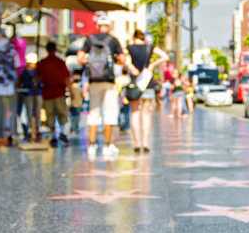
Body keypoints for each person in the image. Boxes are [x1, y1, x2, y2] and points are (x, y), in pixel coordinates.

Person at [77, 13, 124, 160]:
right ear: (109, 26)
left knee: (93, 112)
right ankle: (107, 145)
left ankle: (91, 145)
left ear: (97, 26)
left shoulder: (89, 39)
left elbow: (80, 59)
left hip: (93, 81)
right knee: (109, 113)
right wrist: (114, 60)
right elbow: (122, 60)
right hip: (109, 81)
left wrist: (90, 63)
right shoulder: (113, 40)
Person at [126, 30, 168, 153]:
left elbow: (125, 60)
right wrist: (153, 64)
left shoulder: (129, 48)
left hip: (134, 82)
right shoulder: (150, 47)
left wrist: (131, 68)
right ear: (143, 38)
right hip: (148, 82)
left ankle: (137, 144)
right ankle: (145, 143)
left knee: (134, 113)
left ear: (134, 37)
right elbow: (165, 56)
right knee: (146, 114)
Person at [35, 41, 72, 147]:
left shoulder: (42, 63)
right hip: (59, 93)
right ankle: (63, 134)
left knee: (50, 116)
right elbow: (66, 78)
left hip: (47, 93)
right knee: (62, 115)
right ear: (55, 49)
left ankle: (53, 136)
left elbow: (38, 79)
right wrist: (71, 92)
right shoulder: (60, 62)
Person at [16, 52, 42, 142]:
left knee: (36, 113)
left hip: (37, 94)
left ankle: (36, 130)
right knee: (29, 113)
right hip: (28, 94)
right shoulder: (24, 72)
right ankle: (31, 131)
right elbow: (19, 82)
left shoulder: (38, 71)